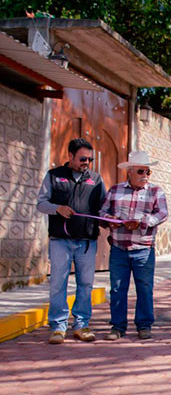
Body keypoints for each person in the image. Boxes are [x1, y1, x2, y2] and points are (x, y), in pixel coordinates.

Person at [36, 138, 107, 344]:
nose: (87, 163)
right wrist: (57, 208)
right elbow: (41, 203)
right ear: (70, 156)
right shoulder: (54, 176)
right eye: (83, 159)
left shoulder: (96, 179)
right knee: (58, 283)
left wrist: (111, 220)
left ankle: (81, 325)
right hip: (60, 241)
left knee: (86, 284)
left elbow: (103, 207)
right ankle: (58, 327)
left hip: (86, 242)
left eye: (90, 159)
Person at [100, 151, 168, 341]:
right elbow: (102, 212)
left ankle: (144, 326)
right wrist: (110, 219)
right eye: (140, 171)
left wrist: (143, 222)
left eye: (148, 171)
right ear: (129, 171)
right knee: (117, 289)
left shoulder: (156, 191)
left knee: (144, 288)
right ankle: (117, 326)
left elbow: (162, 214)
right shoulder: (115, 190)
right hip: (118, 248)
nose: (145, 175)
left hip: (143, 248)